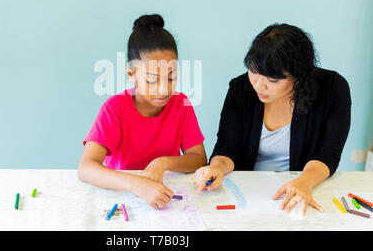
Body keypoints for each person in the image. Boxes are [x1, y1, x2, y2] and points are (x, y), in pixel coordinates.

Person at [195, 23, 351, 215]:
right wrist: (217, 167)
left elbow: (328, 153)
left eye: (273, 80)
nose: (259, 85)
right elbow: (227, 147)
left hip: (302, 187)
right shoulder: (241, 88)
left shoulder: (332, 89)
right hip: (248, 194)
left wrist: (304, 181)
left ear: (298, 77)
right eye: (253, 71)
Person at [79, 14, 207, 209]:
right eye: (152, 80)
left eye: (171, 77)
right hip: (123, 199)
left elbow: (198, 159)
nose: (164, 89)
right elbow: (86, 168)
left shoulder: (181, 104)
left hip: (167, 197)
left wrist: (162, 163)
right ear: (132, 74)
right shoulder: (115, 108)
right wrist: (136, 183)